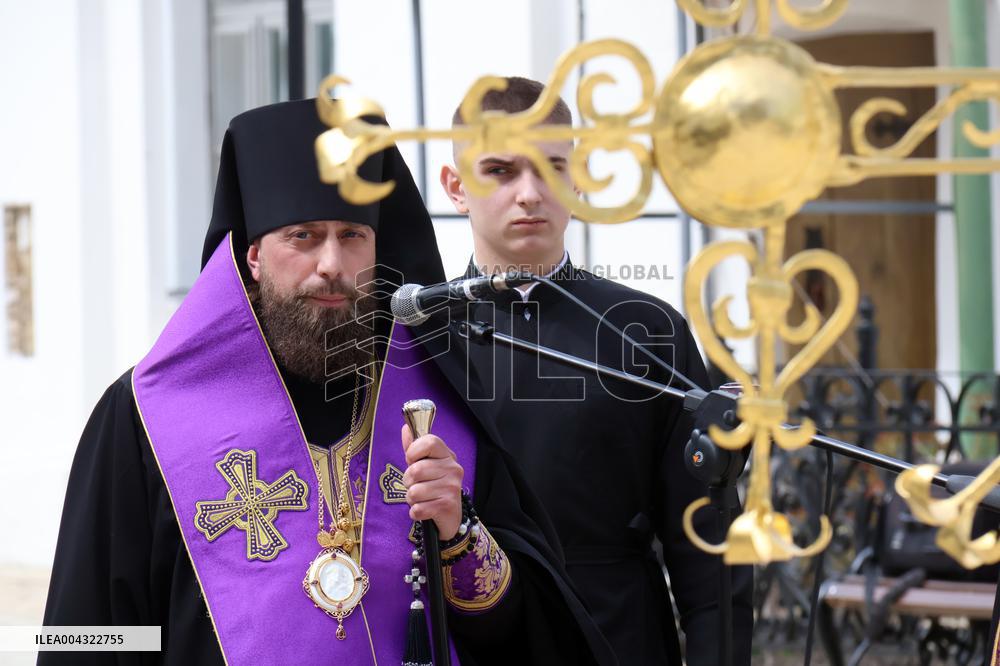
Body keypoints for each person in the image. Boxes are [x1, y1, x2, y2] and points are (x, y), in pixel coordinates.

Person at [41, 99, 616, 666]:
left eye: (352, 235)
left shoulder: (444, 402)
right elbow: (91, 634)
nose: (332, 264)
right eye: (303, 236)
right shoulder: (148, 413)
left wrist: (460, 531)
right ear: (254, 257)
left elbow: (526, 634)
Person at [438, 76, 754, 665]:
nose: (530, 193)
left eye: (551, 168)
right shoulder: (421, 335)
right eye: (502, 171)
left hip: (618, 633)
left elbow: (704, 540)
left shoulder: (647, 329)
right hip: (468, 638)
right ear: (457, 187)